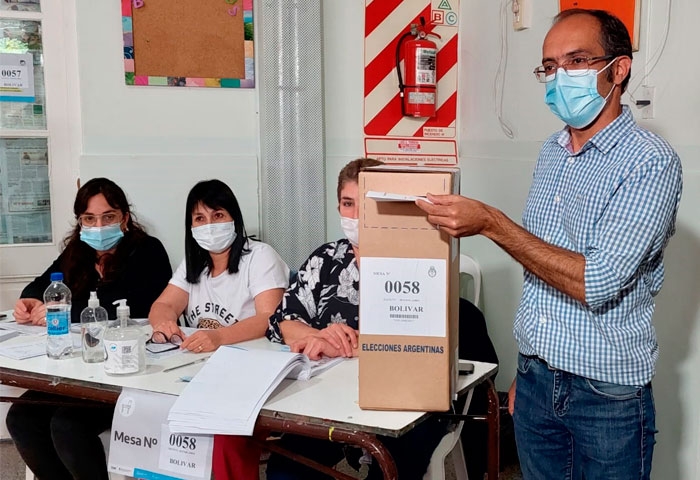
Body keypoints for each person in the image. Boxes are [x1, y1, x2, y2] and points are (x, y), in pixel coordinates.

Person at [417, 9, 682, 480]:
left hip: (606, 394)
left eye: (577, 61)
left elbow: (595, 280)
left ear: (618, 69)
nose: (560, 78)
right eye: (550, 66)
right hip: (539, 383)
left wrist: (492, 223)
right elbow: (542, 270)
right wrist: (530, 368)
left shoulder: (650, 162)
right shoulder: (552, 151)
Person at [261, 158, 448, 480]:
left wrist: (362, 344)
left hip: (403, 398)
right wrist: (316, 336)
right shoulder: (326, 259)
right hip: (328, 397)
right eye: (348, 204)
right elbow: (285, 318)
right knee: (286, 470)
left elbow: (429, 344)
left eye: (365, 204)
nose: (356, 215)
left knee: (393, 467)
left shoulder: (419, 258)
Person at [7, 177, 172, 480]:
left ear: (124, 218)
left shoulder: (147, 250)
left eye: (108, 217)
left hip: (126, 372)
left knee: (67, 425)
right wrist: (28, 300)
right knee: (21, 416)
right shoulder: (77, 251)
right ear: (80, 222)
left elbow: (136, 306)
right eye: (89, 218)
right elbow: (43, 283)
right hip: (79, 369)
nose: (98, 226)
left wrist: (65, 310)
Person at [147, 179, 289, 480]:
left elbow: (270, 317)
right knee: (151, 412)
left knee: (222, 434)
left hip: (250, 373)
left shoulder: (260, 256)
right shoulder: (194, 263)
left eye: (218, 215)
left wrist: (219, 337)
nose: (209, 225)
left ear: (234, 217)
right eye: (199, 218)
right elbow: (164, 305)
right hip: (198, 370)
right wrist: (164, 323)